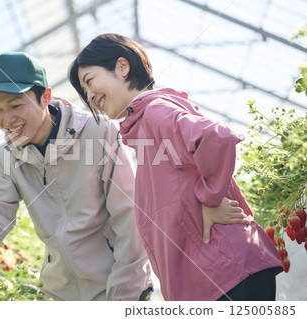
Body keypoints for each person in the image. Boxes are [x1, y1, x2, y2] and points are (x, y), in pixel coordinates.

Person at [68, 33, 284, 301]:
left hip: (227, 277)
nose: (89, 95)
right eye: (84, 92)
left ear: (122, 67)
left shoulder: (156, 112)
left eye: (89, 81)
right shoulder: (143, 131)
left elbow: (217, 136)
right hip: (216, 280)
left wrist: (210, 200)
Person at [0, 51, 155, 301]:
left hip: (118, 287)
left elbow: (131, 220)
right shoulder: (4, 159)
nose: (7, 119)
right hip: (59, 295)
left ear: (45, 97)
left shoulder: (97, 134)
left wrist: (123, 298)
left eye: (16, 105)